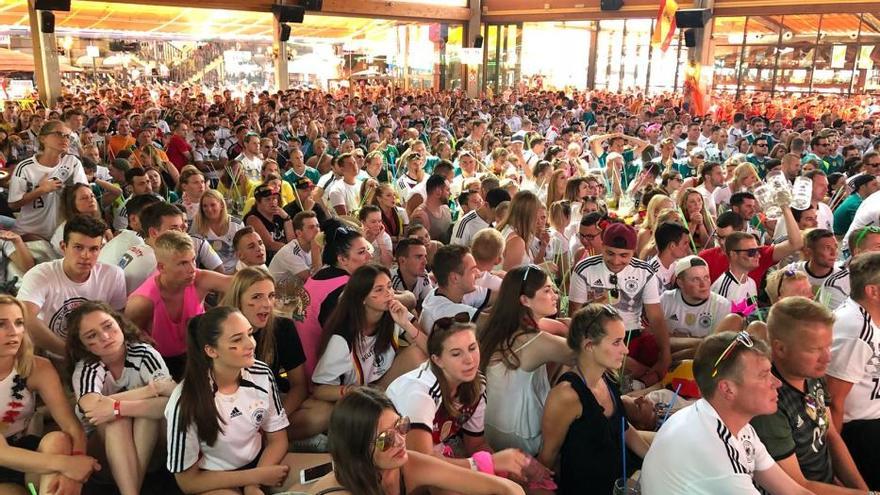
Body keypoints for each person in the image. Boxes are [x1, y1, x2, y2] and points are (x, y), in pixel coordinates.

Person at [640, 331, 812, 495]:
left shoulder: (731, 424)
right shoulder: (718, 456)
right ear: (727, 389)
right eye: (764, 375)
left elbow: (794, 491)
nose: (777, 383)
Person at [164, 306, 298, 494]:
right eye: (237, 339)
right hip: (213, 478)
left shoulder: (261, 373)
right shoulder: (185, 400)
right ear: (211, 351)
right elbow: (188, 481)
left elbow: (277, 439)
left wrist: (254, 484)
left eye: (249, 334)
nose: (250, 344)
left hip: (260, 462)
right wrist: (255, 478)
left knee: (334, 477)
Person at [386, 316, 536, 478]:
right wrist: (491, 462)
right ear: (438, 360)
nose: (469, 360)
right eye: (456, 354)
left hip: (434, 454)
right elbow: (421, 465)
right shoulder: (420, 393)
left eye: (472, 348)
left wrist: (515, 466)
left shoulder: (476, 386)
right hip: (391, 463)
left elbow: (476, 444)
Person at [751, 297, 870, 494]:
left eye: (828, 346)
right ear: (780, 348)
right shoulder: (768, 402)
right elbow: (797, 486)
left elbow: (831, 435)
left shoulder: (812, 374)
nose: (827, 357)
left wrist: (863, 490)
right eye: (815, 349)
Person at [308, 387, 525, 495]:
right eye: (385, 439)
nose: (401, 441)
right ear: (357, 449)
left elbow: (508, 488)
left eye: (401, 426)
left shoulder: (408, 465)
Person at [66, 301, 175, 495]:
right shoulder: (87, 368)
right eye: (92, 336)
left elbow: (171, 402)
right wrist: (150, 390)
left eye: (108, 326)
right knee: (118, 422)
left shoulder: (143, 353)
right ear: (83, 345)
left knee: (141, 415)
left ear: (119, 322)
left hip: (153, 450)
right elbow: (92, 406)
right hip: (103, 456)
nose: (105, 337)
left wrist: (116, 408)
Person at [538, 304, 650, 493]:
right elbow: (548, 457)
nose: (626, 350)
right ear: (589, 345)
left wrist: (652, 457)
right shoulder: (566, 395)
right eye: (617, 342)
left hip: (624, 475)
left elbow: (621, 426)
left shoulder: (607, 376)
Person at [0, 295, 100, 495]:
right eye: (2, 324)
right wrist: (67, 464)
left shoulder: (38, 367)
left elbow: (71, 426)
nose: (14, 332)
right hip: (5, 456)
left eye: (19, 323)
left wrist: (75, 463)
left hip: (24, 449)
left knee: (59, 440)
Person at [219, 267, 330, 442]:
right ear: (238, 299)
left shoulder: (283, 327)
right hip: (229, 409)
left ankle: (265, 441)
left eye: (271, 296)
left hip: (271, 404)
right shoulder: (218, 329)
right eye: (256, 297)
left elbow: (299, 385)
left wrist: (274, 421)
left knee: (324, 412)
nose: (266, 304)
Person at [480, 265, 573, 455]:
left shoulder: (495, 324)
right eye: (547, 291)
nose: (555, 296)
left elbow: (553, 327)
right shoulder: (535, 341)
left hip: (488, 429)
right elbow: (587, 357)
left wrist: (565, 326)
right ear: (524, 300)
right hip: (522, 439)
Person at [569, 222, 672, 386]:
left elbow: (656, 317)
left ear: (634, 252)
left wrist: (665, 356)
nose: (616, 261)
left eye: (624, 255)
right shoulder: (584, 269)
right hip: (596, 339)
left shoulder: (645, 272)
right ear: (602, 246)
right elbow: (574, 319)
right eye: (610, 253)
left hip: (633, 336)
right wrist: (594, 305)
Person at [125, 231, 231, 380]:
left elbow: (242, 284)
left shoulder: (200, 279)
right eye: (183, 263)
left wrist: (222, 311)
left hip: (195, 352)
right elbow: (129, 340)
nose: (192, 269)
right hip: (159, 363)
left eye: (193, 260)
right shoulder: (142, 301)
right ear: (161, 267)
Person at [18, 216, 126, 358]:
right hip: (52, 352)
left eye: (94, 249)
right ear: (64, 247)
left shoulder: (113, 274)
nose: (86, 256)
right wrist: (70, 354)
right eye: (78, 247)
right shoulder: (41, 274)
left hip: (99, 353)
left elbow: (118, 318)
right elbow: (24, 318)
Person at [826, 252, 880, 489]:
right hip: (861, 433)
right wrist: (833, 461)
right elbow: (835, 401)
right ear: (873, 291)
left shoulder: (867, 316)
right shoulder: (856, 331)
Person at [296, 221, 372, 380]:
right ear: (343, 260)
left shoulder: (318, 276)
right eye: (362, 252)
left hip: (300, 370)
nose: (369, 256)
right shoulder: (345, 288)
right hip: (322, 377)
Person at [9, 120, 88, 241]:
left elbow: (85, 194)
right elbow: (13, 204)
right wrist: (41, 190)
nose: (65, 139)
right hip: (29, 233)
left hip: (61, 234)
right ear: (42, 139)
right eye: (59, 134)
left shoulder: (72, 162)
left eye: (68, 136)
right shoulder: (25, 167)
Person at [661, 255, 735, 359]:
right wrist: (701, 341)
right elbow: (653, 338)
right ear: (680, 283)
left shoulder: (722, 305)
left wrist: (674, 339)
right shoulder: (666, 299)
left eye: (706, 277)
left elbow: (713, 349)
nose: (703, 284)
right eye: (696, 279)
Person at [419, 245, 493, 335]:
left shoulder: (450, 290)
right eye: (472, 270)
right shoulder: (443, 311)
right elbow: (496, 324)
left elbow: (499, 296)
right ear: (455, 278)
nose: (478, 274)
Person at [189, 188, 245, 275]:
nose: (209, 209)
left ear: (222, 205)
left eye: (213, 205)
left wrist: (237, 273)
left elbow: (244, 252)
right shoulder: (197, 224)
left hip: (236, 272)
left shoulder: (237, 224)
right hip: (209, 273)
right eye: (205, 206)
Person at [497, 190, 549, 271]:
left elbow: (527, 266)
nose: (538, 220)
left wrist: (543, 248)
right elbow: (509, 278)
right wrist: (541, 268)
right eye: (536, 214)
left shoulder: (510, 230)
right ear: (528, 214)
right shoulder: (516, 241)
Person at [244, 184, 294, 263]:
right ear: (258, 202)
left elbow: (292, 240)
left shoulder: (280, 214)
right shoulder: (252, 219)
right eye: (268, 199)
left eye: (274, 198)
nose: (272, 202)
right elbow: (270, 245)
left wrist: (287, 219)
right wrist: (294, 251)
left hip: (285, 257)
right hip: (268, 262)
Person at [267, 210, 320, 285]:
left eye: (317, 226)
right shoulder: (290, 252)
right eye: (311, 227)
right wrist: (316, 249)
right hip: (278, 293)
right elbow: (314, 280)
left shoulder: (314, 246)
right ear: (299, 233)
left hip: (295, 292)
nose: (317, 230)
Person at [710, 232, 760, 303]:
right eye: (751, 252)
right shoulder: (723, 289)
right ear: (733, 254)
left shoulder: (752, 283)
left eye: (758, 250)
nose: (758, 255)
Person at [390, 238, 434, 309]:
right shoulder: (390, 280)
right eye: (419, 257)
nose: (425, 262)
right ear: (402, 261)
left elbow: (431, 303)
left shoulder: (423, 275)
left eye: (425, 256)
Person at [411, 175, 453, 245]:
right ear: (437, 192)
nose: (450, 193)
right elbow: (414, 246)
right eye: (447, 190)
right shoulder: (420, 216)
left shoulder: (446, 209)